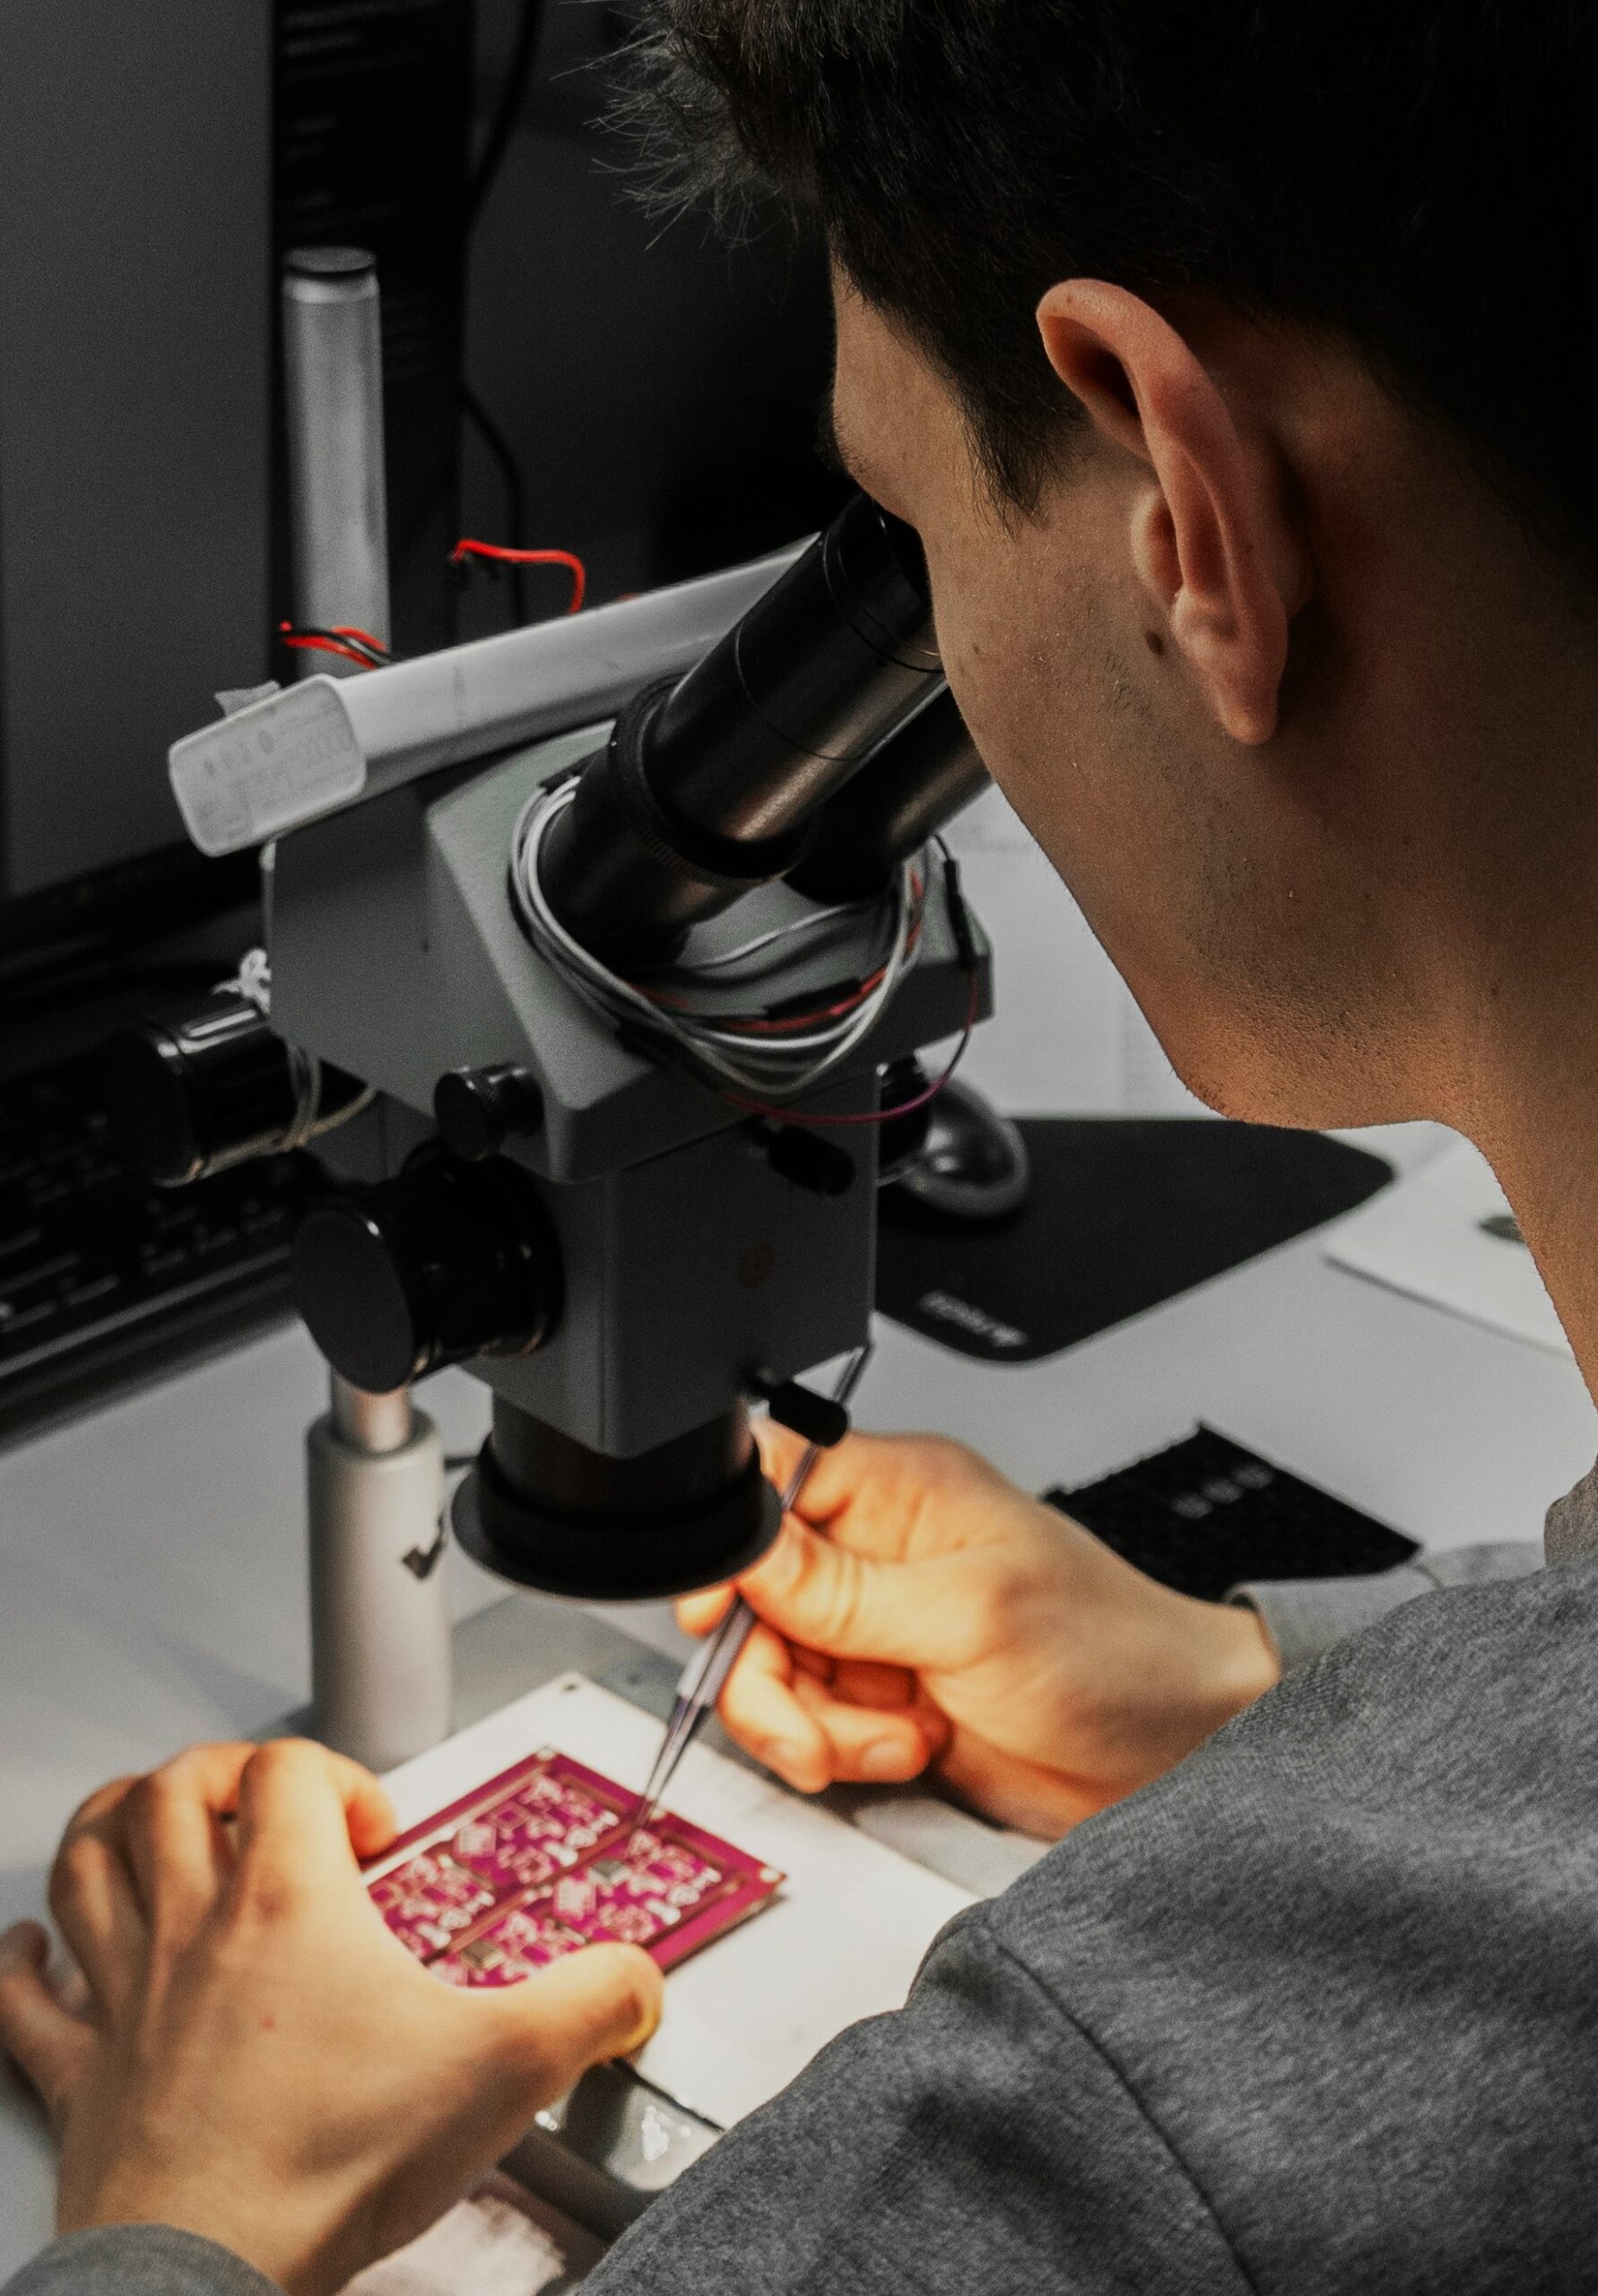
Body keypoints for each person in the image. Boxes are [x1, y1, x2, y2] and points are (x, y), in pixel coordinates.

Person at [7, 0, 1598, 2284]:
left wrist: (182, 2205)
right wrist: (1269, 1676)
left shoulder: (1148, 2132)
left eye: (911, 529)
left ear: (1191, 525)